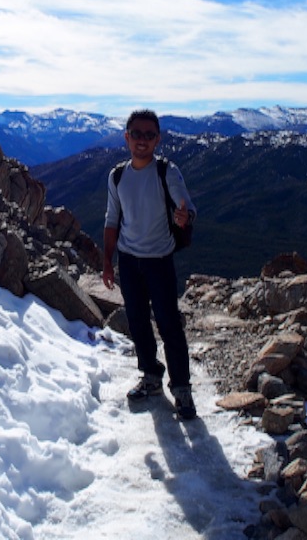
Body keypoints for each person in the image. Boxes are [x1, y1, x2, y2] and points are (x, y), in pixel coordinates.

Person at [102, 109, 198, 420]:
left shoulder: (167, 172)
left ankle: (181, 387)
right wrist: (108, 261)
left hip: (159, 260)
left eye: (149, 135)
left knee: (169, 323)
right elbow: (111, 220)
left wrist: (185, 218)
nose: (142, 140)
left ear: (157, 139)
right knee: (139, 322)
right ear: (126, 137)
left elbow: (186, 206)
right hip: (129, 261)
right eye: (137, 134)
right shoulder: (117, 176)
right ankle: (151, 376)